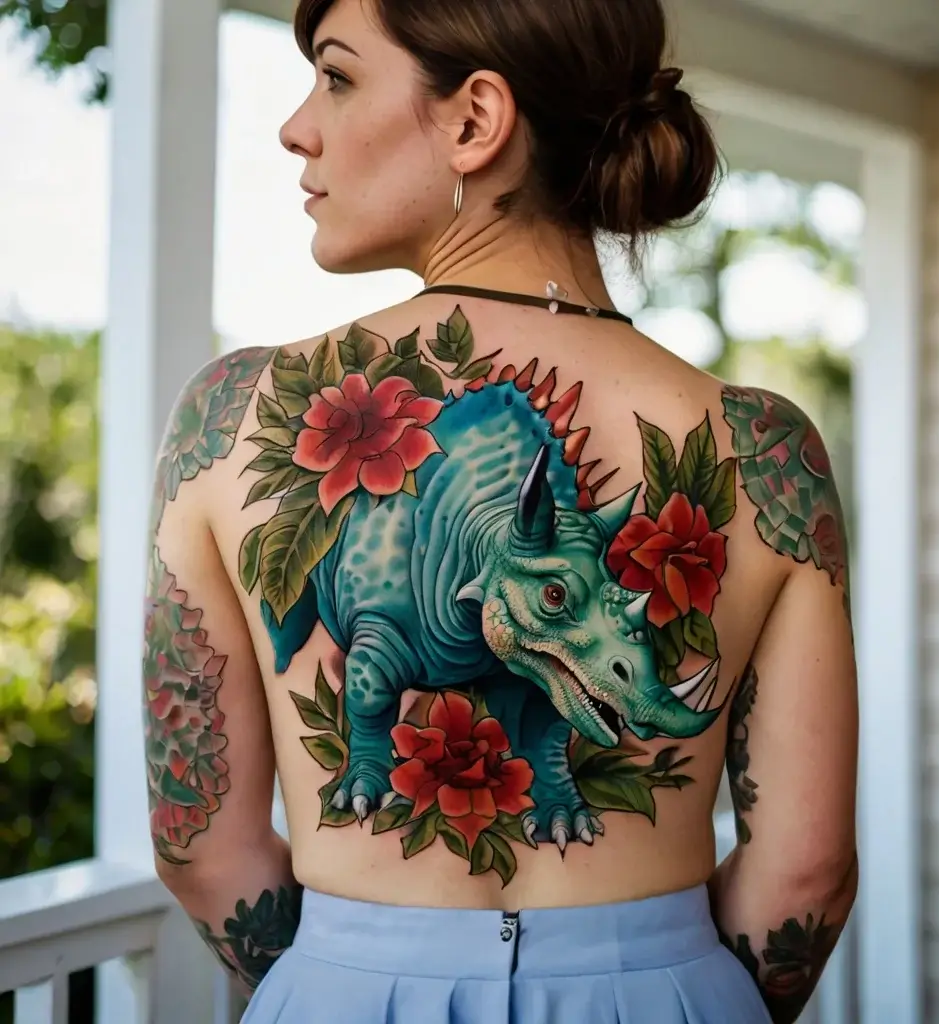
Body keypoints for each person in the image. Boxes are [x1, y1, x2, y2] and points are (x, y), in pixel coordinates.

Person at [143, 0, 859, 1020]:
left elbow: (196, 844)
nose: (297, 126)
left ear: (475, 120)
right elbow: (807, 871)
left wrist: (346, 978)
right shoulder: (766, 447)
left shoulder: (232, 417)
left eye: (337, 76)